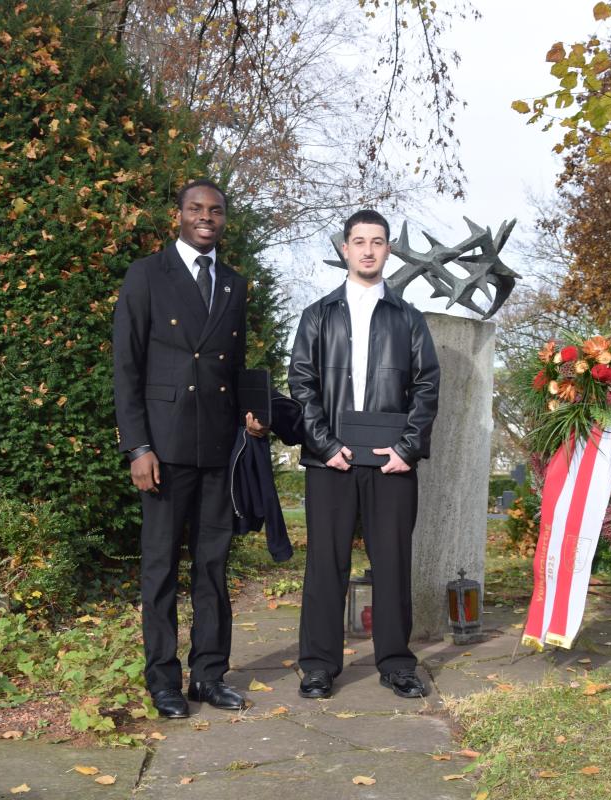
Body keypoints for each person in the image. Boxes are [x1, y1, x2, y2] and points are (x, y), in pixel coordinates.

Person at [113, 179, 264, 719]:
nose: (207, 218)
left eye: (216, 211)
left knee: (213, 568)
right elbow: (126, 369)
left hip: (218, 450)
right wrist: (138, 446)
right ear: (177, 215)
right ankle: (163, 681)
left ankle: (209, 675)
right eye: (196, 209)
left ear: (225, 219)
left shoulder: (234, 285)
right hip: (163, 450)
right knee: (159, 570)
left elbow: (235, 367)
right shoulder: (147, 275)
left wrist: (255, 418)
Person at [287, 209, 440, 699]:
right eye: (359, 241)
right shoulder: (318, 315)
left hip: (391, 463)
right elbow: (302, 385)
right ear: (345, 249)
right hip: (329, 462)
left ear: (388, 250)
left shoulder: (408, 318)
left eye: (377, 241)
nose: (368, 250)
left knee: (393, 563)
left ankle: (396, 662)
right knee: (325, 565)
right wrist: (324, 446)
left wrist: (407, 448)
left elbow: (426, 387)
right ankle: (317, 665)